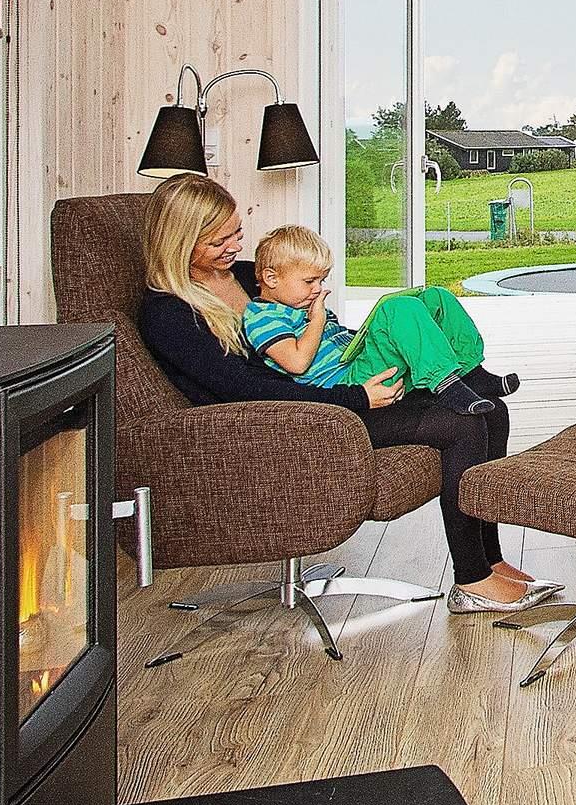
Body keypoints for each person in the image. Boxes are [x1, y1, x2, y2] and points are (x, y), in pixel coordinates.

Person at [136, 173, 550, 613]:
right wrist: (355, 398)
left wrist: (376, 347)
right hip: (285, 423)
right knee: (461, 424)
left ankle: (491, 559)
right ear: (181, 241)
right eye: (219, 241)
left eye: (237, 233)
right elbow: (247, 390)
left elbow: (320, 338)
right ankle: (472, 579)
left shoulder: (245, 275)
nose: (235, 246)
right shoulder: (169, 314)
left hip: (328, 394)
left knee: (493, 412)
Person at [243, 224, 517, 418]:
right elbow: (296, 363)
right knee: (396, 309)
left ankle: (472, 372)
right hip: (347, 382)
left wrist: (368, 334)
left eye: (321, 280)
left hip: (358, 361)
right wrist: (318, 319)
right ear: (271, 278)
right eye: (309, 281)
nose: (318, 289)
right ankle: (446, 385)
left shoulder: (303, 304)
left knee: (437, 297)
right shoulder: (262, 316)